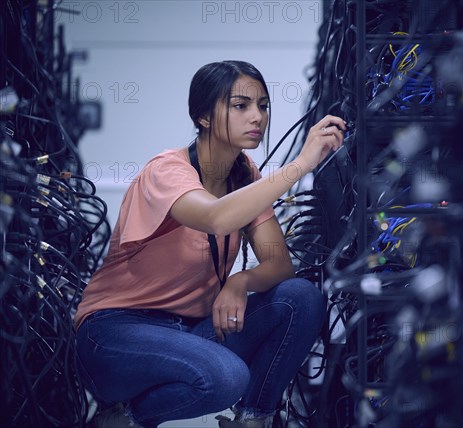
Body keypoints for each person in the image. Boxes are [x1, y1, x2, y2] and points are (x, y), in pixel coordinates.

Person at [73, 60, 346, 428]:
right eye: (240, 106)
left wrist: (240, 282)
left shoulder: (245, 175)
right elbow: (217, 216)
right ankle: (123, 419)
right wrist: (300, 164)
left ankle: (254, 419)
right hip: (116, 332)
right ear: (203, 117)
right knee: (227, 377)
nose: (257, 117)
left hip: (191, 330)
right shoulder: (164, 171)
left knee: (301, 298)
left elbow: (280, 265)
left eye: (263, 106)